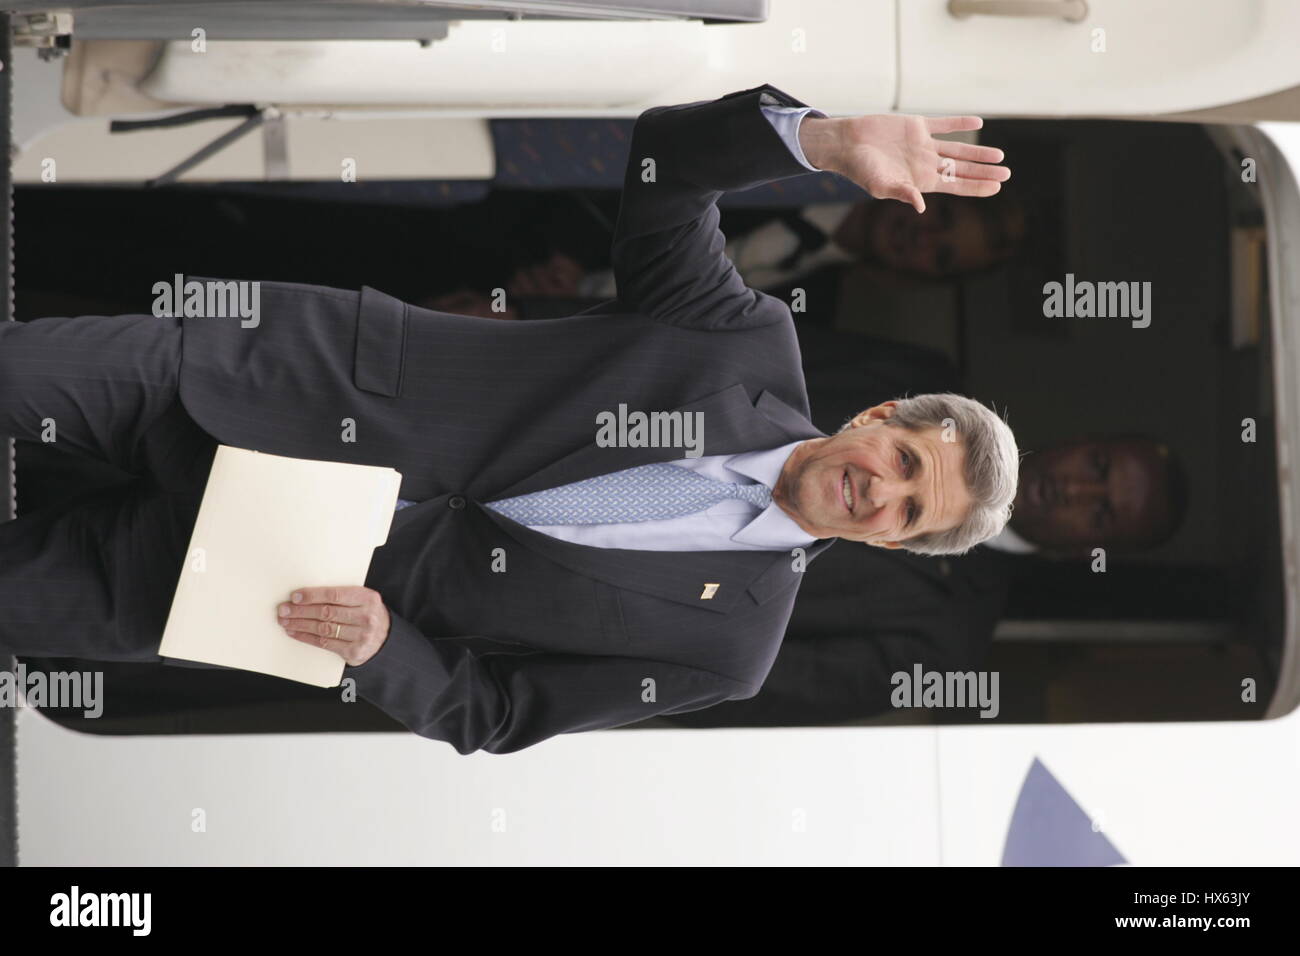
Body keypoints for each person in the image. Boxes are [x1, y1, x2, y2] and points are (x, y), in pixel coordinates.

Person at [0, 84, 1017, 754]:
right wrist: (819, 138)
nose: (881, 487)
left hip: (258, 578)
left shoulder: (729, 651)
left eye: (908, 510)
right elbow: (664, 169)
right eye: (900, 457)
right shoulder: (740, 340)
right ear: (879, 413)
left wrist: (384, 648)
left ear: (902, 543)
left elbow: (499, 710)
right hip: (264, 385)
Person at [665, 435, 1187, 727]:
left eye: (1100, 514)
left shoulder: (949, 641)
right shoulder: (930, 406)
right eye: (1096, 461)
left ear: (1087, 552)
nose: (1075, 487)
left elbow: (765, 689)